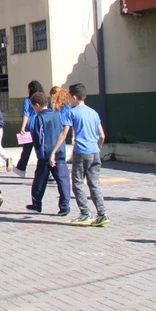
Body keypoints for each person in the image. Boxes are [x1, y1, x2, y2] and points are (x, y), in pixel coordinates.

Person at [53, 84, 107, 226]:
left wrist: (53, 152)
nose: (68, 100)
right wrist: (98, 148)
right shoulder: (94, 113)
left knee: (77, 183)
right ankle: (102, 214)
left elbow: (64, 134)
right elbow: (102, 135)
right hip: (94, 152)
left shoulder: (72, 112)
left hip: (81, 152)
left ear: (75, 97)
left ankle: (85, 213)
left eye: (69, 97)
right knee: (94, 184)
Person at [25, 92, 71, 216]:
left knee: (40, 180)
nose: (33, 109)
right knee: (63, 180)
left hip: (45, 153)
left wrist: (37, 149)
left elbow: (37, 136)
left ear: (38, 105)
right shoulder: (56, 115)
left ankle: (36, 204)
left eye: (33, 107)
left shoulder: (39, 117)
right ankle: (65, 206)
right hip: (59, 152)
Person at [13, 80, 44, 177]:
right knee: (40, 148)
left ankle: (21, 168)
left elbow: (26, 114)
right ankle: (42, 169)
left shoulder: (28, 100)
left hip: (30, 127)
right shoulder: (43, 99)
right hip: (40, 126)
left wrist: (22, 127)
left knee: (26, 149)